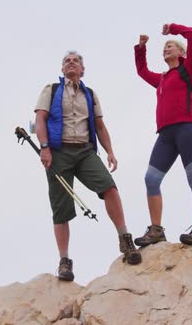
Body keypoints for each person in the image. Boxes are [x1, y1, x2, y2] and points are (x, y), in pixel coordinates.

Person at [34, 50, 142, 282]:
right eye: (67, 61)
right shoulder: (51, 90)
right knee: (61, 208)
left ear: (83, 70)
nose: (71, 63)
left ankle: (125, 239)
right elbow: (40, 119)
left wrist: (110, 151)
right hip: (58, 151)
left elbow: (100, 126)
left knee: (109, 188)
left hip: (84, 151)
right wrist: (44, 147)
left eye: (76, 61)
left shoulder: (90, 94)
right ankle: (64, 261)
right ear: (62, 69)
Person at [133, 23, 192, 247]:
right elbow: (142, 72)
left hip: (188, 130)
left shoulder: (188, 69)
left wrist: (173, 29)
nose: (166, 48)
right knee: (151, 179)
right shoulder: (163, 78)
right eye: (164, 46)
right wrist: (141, 48)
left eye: (171, 46)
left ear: (182, 53)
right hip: (166, 135)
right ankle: (156, 230)